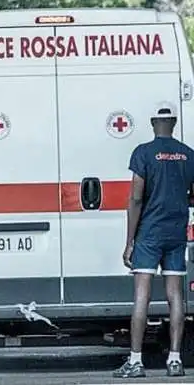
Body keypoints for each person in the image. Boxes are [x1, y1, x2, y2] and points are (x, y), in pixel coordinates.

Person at [113, 102, 194, 379]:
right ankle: (174, 360)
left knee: (141, 296)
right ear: (173, 124)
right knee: (175, 296)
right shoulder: (188, 155)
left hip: (149, 233)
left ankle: (136, 362)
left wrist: (130, 241)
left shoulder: (143, 153)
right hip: (176, 232)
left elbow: (136, 198)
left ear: (152, 124)